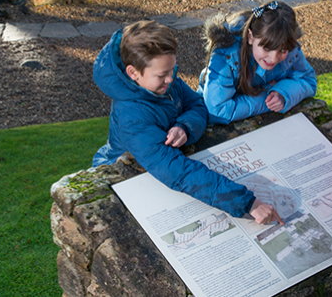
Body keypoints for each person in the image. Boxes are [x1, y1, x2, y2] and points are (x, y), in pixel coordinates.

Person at [92, 20, 283, 225]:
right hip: (126, 176)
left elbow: (198, 105)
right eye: (162, 75)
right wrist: (248, 203)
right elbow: (178, 172)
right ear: (133, 73)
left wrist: (184, 126)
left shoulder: (164, 80)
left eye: (172, 70)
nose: (170, 79)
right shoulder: (131, 117)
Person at [198, 1, 317, 124]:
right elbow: (217, 110)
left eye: (282, 50)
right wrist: (267, 95)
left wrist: (284, 93)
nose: (273, 58)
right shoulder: (225, 55)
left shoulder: (291, 49)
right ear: (250, 37)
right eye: (267, 48)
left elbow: (308, 81)